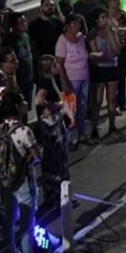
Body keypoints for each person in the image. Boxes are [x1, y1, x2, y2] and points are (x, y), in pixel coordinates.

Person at [0, 93, 43, 253]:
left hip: (6, 181)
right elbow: (37, 157)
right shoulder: (24, 131)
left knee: (9, 219)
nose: (25, 103)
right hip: (23, 180)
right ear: (17, 107)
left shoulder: (1, 128)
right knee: (27, 221)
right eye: (22, 101)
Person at [34, 55, 71, 215]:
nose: (58, 66)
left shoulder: (51, 81)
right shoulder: (45, 83)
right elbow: (38, 101)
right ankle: (58, 196)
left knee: (56, 160)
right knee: (57, 160)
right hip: (51, 128)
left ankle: (58, 196)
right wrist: (55, 105)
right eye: (56, 64)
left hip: (55, 125)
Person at [55, 14, 91, 147]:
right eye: (74, 24)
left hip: (84, 76)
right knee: (70, 109)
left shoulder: (81, 37)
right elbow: (60, 63)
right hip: (71, 79)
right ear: (67, 26)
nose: (78, 27)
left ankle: (82, 134)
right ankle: (68, 139)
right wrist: (64, 82)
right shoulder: (62, 41)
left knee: (82, 107)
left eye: (79, 24)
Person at [88, 10, 120, 140]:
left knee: (112, 99)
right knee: (98, 100)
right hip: (99, 69)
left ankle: (112, 126)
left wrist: (111, 35)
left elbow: (117, 50)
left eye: (106, 17)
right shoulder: (93, 35)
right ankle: (94, 128)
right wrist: (106, 55)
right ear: (96, 20)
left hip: (112, 67)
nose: (105, 20)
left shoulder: (112, 31)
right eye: (102, 17)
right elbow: (96, 55)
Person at [4, 11, 34, 113]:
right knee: (19, 109)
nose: (25, 24)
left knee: (27, 107)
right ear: (14, 26)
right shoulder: (10, 41)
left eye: (25, 21)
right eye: (21, 22)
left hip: (28, 78)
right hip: (19, 81)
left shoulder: (26, 36)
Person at [28, 0, 64, 73]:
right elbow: (33, 45)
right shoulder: (34, 25)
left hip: (58, 59)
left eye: (52, 5)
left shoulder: (57, 22)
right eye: (47, 5)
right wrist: (40, 60)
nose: (50, 7)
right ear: (41, 8)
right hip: (44, 62)